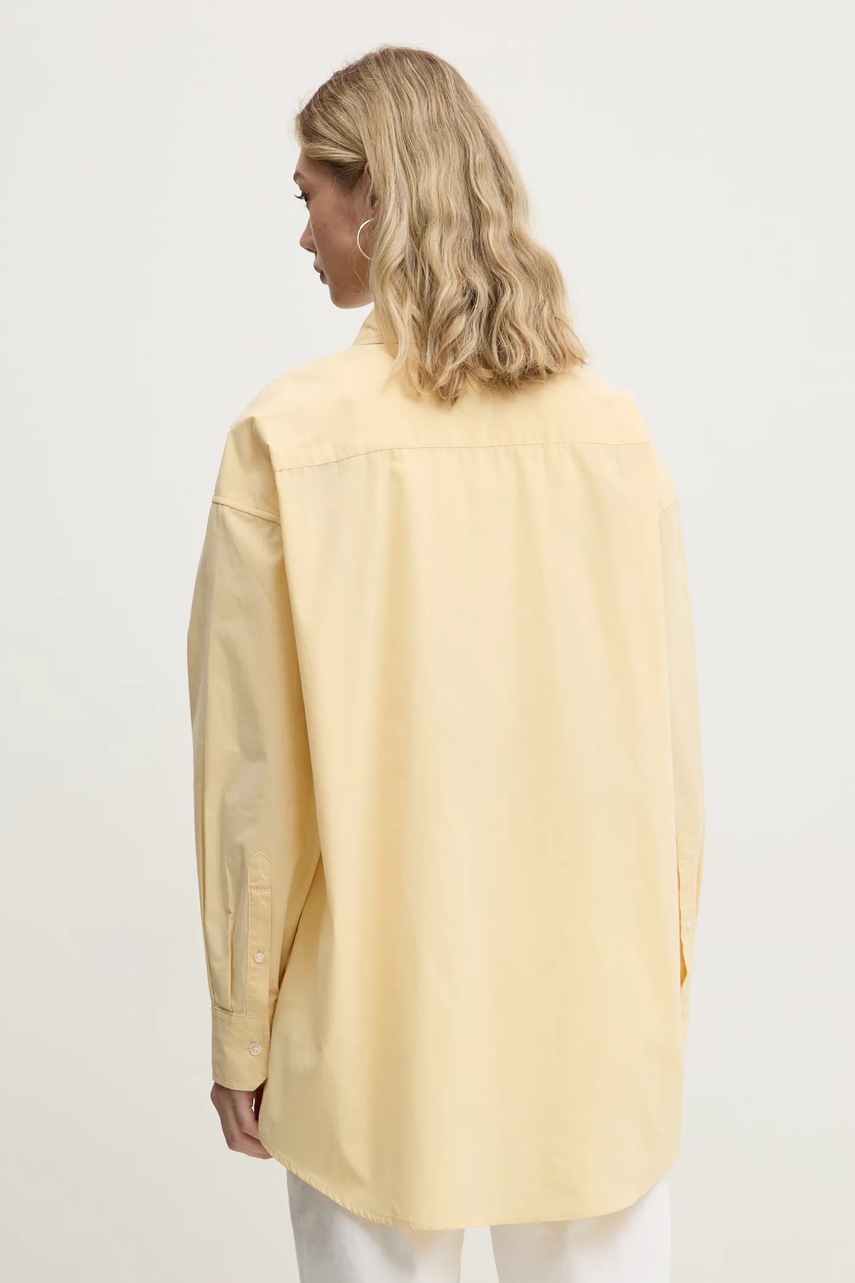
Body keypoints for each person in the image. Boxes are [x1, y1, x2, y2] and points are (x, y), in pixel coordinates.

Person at [186, 44, 705, 1283]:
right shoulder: (615, 434)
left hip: (375, 1039)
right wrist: (663, 976)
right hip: (597, 1028)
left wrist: (242, 1028)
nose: (304, 230)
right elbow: (672, 753)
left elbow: (257, 780)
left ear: (374, 192)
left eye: (311, 194)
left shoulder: (284, 439)